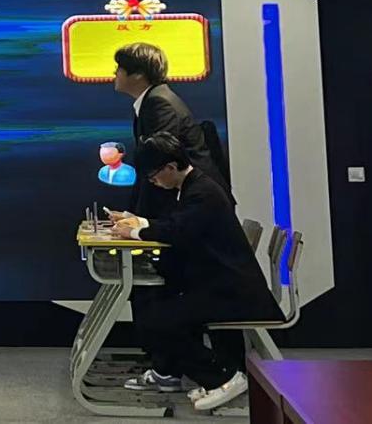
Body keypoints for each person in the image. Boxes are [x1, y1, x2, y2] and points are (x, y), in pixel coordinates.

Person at [111, 135, 282, 413]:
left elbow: (177, 231)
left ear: (170, 167)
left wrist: (133, 232)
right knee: (156, 308)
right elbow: (177, 224)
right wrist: (138, 222)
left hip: (231, 292)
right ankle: (194, 373)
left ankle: (223, 377)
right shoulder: (194, 186)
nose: (153, 183)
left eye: (153, 176)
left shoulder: (202, 192)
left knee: (158, 320)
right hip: (220, 283)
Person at [111, 42, 228, 218]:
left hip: (199, 205)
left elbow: (158, 162)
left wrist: (138, 220)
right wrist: (134, 216)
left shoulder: (159, 103)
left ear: (138, 74)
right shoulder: (153, 99)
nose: (115, 73)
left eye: (119, 68)